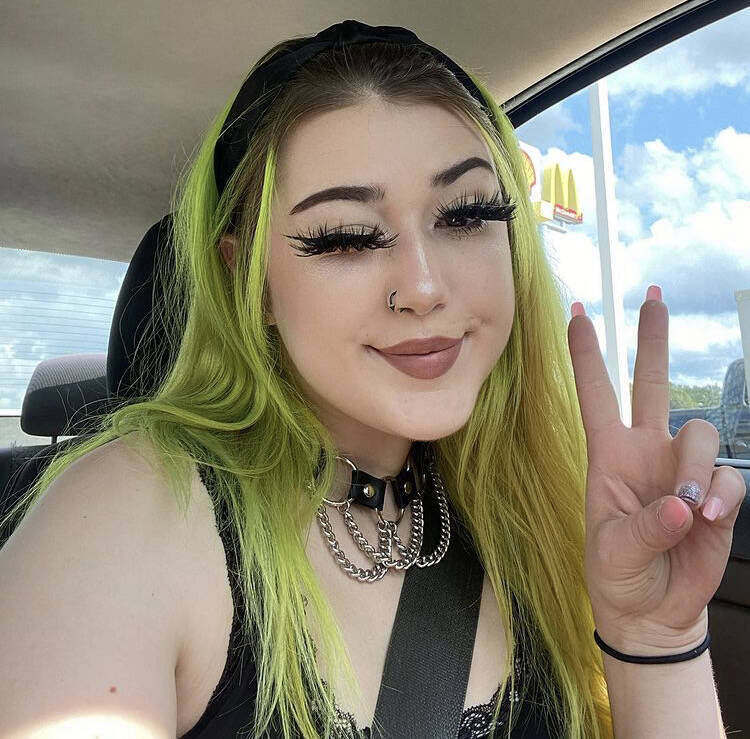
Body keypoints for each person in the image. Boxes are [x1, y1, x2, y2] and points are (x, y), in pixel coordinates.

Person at [0, 19, 741, 739]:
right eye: (346, 237)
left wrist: (654, 635)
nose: (423, 287)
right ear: (250, 277)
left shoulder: (535, 506)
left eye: (467, 215)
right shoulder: (126, 515)